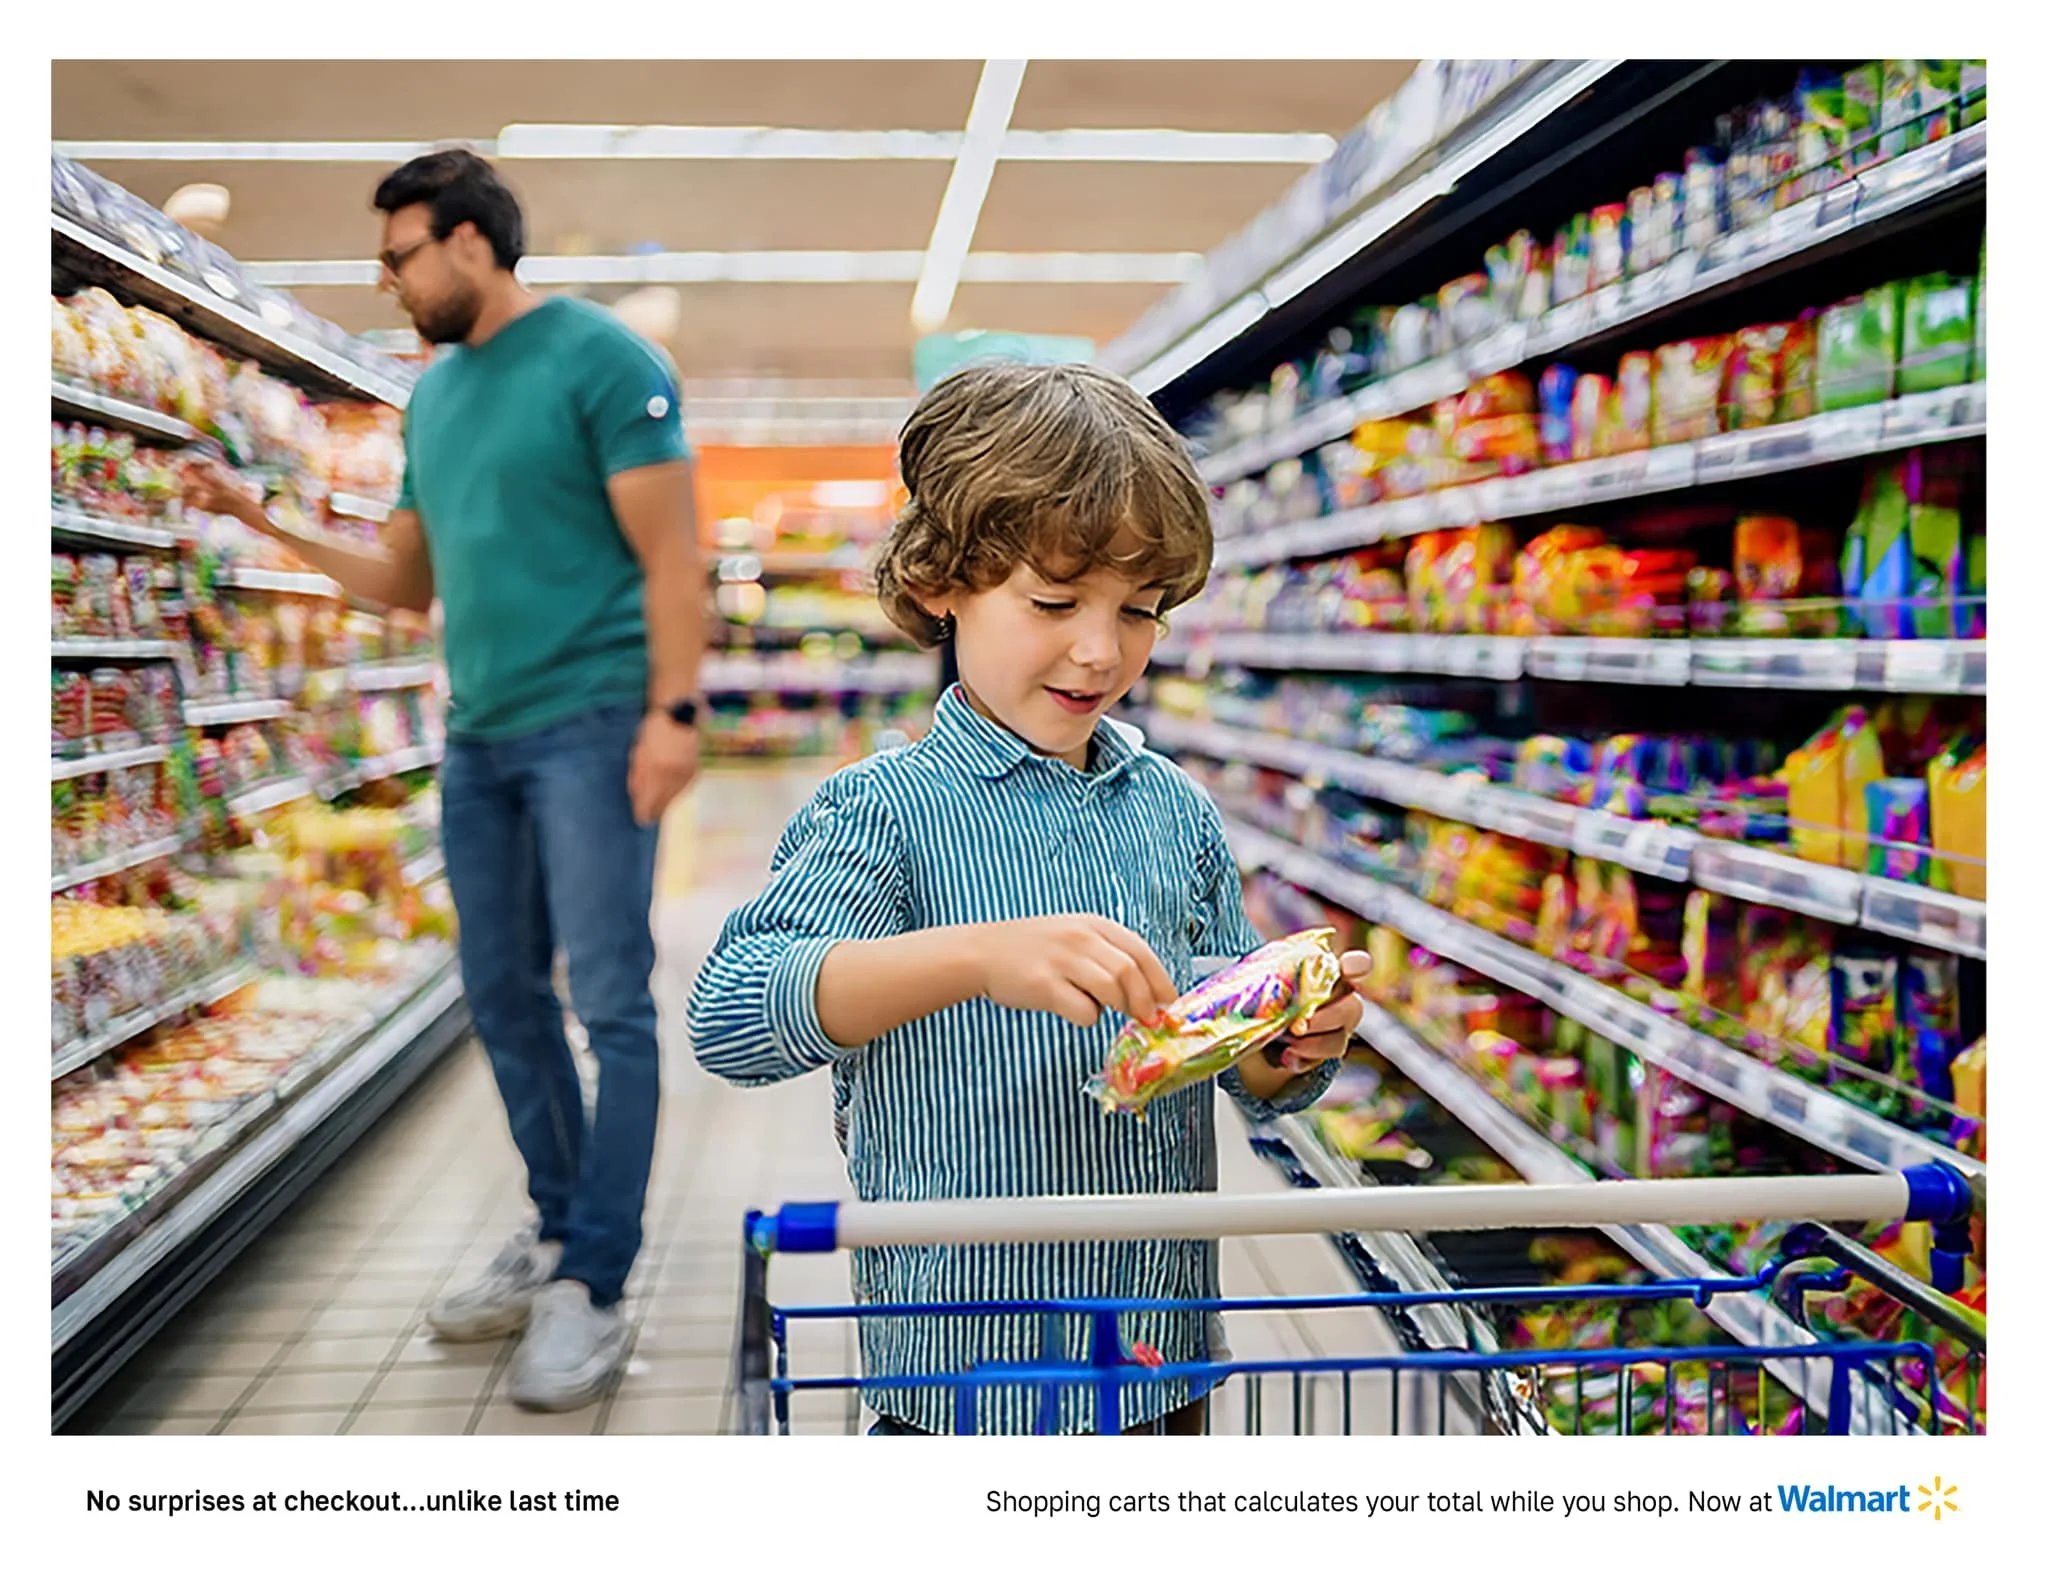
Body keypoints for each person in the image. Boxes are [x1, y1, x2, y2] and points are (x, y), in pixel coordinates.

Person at [687, 362, 1370, 1435]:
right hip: (960, 1375)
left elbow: (1242, 1069)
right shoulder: (881, 811)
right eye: (1053, 601)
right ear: (937, 583)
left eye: (1137, 611)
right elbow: (731, 1015)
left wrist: (1285, 1042)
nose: (1099, 650)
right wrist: (972, 957)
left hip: (1157, 1358)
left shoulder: (1174, 811)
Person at [179, 149, 706, 1412]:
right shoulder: (434, 399)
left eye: (400, 252)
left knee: (614, 1002)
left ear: (471, 244)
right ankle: (555, 1227)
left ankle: (593, 1281)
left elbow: (674, 551)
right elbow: (406, 584)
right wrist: (263, 526)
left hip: (591, 723)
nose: (387, 278)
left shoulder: (599, 359)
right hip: (479, 738)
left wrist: (673, 714)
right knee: (501, 995)